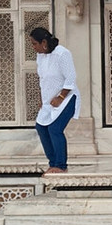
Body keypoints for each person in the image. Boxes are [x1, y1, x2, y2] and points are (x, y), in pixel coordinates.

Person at [29, 27, 80, 173]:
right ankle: (53, 163)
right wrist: (42, 98)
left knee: (54, 129)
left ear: (43, 42)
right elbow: (43, 79)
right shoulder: (41, 56)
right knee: (41, 127)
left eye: (34, 44)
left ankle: (60, 165)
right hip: (49, 101)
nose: (33, 47)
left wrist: (61, 97)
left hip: (67, 98)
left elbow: (70, 77)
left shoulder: (62, 53)